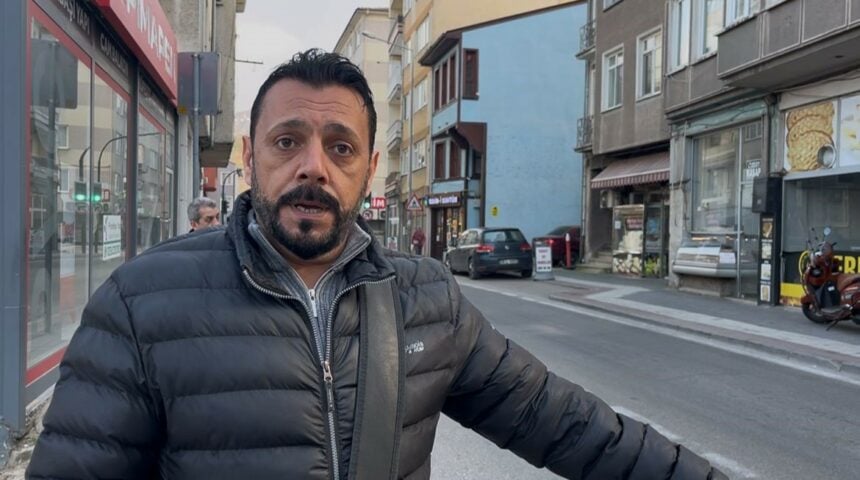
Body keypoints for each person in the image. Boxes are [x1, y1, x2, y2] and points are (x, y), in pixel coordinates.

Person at [26, 50, 726, 480]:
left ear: (369, 168)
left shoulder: (426, 299)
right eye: (287, 141)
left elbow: (567, 424)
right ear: (249, 155)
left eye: (340, 147)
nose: (313, 166)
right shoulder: (142, 300)